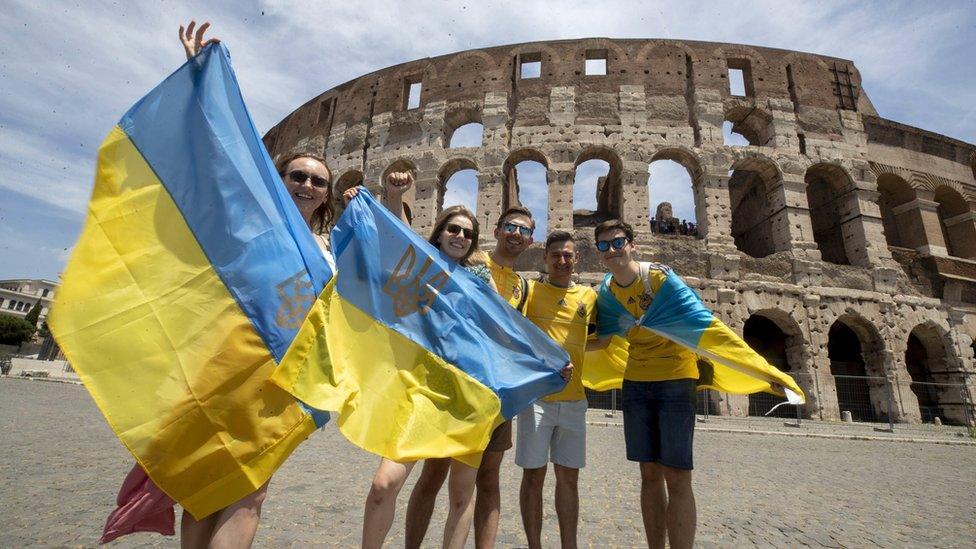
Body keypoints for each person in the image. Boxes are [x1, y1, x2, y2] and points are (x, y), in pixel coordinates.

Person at [404, 205, 537, 549]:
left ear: (530, 240)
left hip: (496, 390)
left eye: (524, 230)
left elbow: (523, 335)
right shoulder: (473, 262)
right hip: (453, 382)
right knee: (433, 474)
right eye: (510, 226)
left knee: (489, 479)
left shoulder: (525, 285)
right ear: (495, 231)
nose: (516, 234)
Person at [593, 219, 698, 549]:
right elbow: (602, 340)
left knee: (678, 474)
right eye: (604, 245)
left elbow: (699, 319)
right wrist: (552, 348)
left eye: (617, 242)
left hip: (676, 381)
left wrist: (753, 366)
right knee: (648, 473)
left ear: (632, 244)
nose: (611, 250)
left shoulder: (660, 277)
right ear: (598, 253)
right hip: (637, 384)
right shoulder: (607, 292)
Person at [516, 231, 596, 549]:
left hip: (575, 400)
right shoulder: (530, 291)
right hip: (537, 400)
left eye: (568, 255)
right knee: (533, 477)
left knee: (569, 480)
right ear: (544, 259)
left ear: (576, 259)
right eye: (556, 255)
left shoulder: (590, 297)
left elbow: (599, 338)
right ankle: (534, 545)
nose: (562, 261)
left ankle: (569, 545)